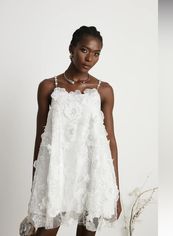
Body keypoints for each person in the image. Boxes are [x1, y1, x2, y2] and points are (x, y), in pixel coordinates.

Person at [27, 26, 122, 236]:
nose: (90, 58)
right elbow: (40, 138)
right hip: (57, 173)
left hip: (92, 174)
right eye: (84, 50)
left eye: (96, 53)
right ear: (71, 48)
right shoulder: (48, 86)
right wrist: (35, 185)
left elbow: (111, 141)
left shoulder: (103, 90)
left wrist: (115, 192)